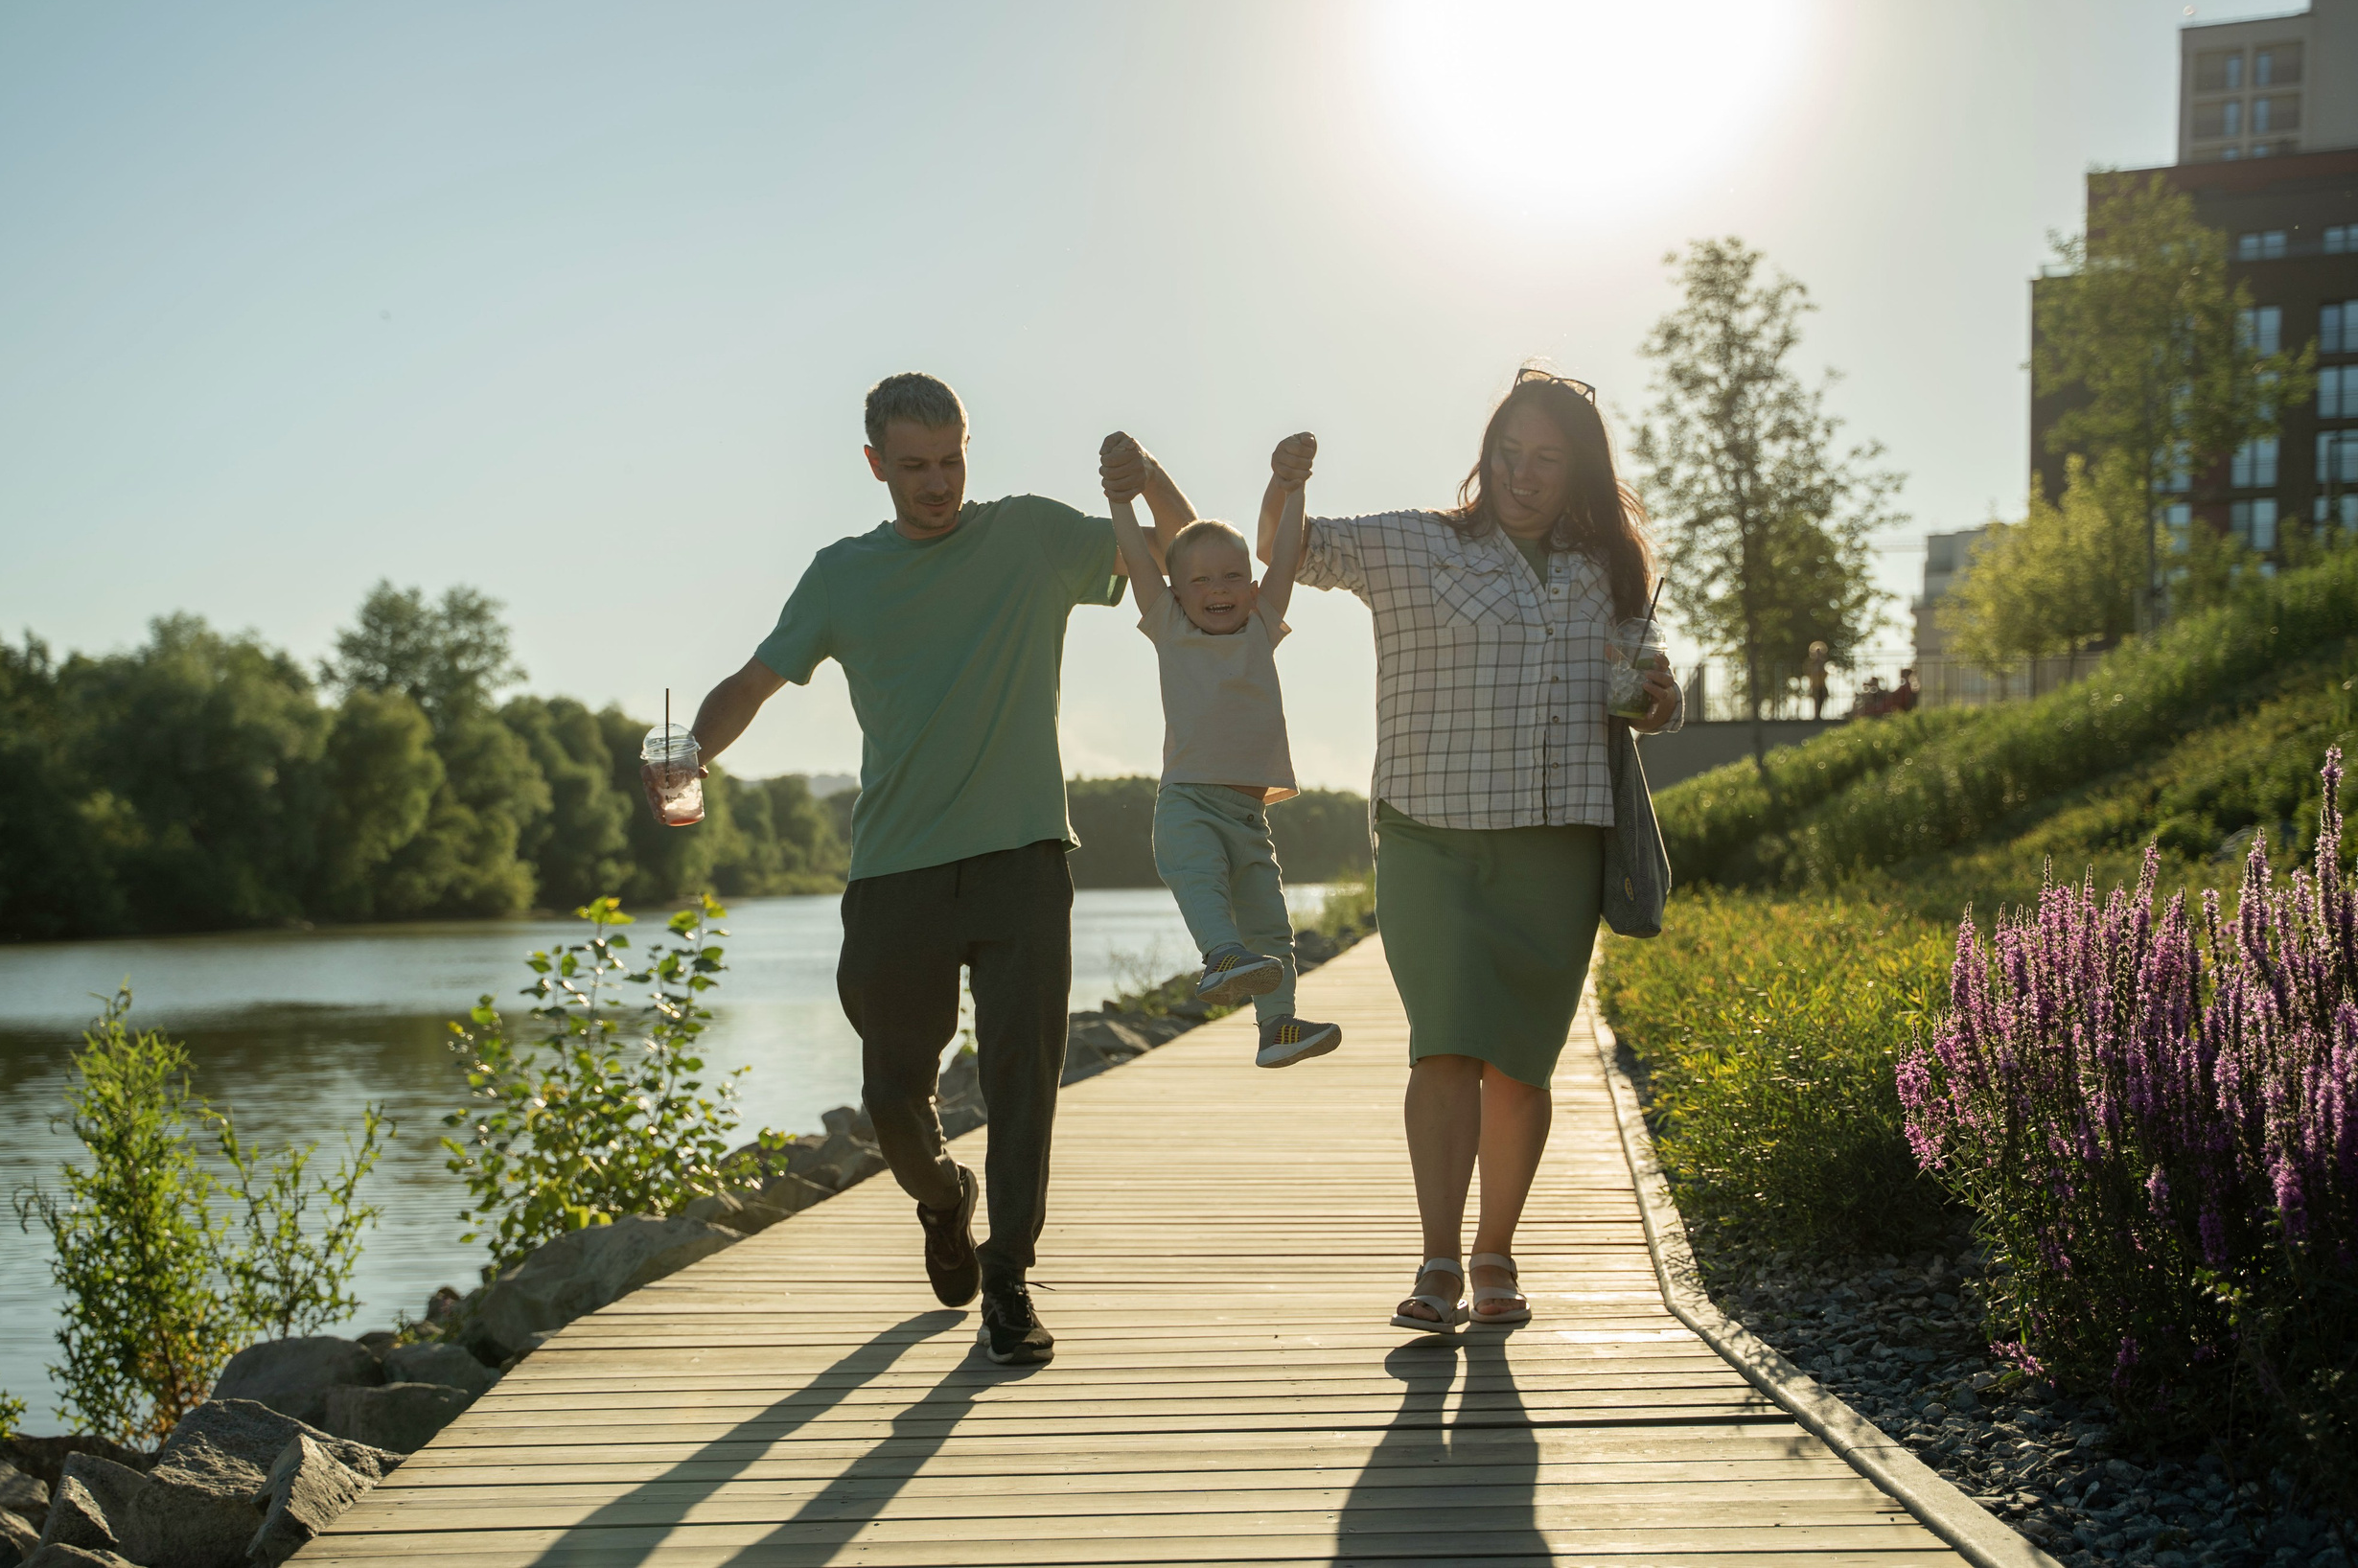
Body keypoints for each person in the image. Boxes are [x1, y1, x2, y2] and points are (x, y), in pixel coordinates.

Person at [685, 372, 1194, 1365]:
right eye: (913, 466)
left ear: (970, 447)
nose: (936, 483)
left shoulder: (1032, 539)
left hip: (1022, 861)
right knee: (891, 1097)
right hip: (895, 872)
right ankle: (941, 1196)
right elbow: (750, 684)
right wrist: (689, 758)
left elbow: (1177, 554)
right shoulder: (840, 575)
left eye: (951, 459)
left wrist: (1149, 477)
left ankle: (1009, 1277)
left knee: (1021, 1084)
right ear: (875, 465)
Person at [1261, 367, 1680, 1331]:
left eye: (1546, 459)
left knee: (1522, 1067)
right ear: (1482, 456)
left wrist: (1660, 701)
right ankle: (1439, 1258)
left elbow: (1643, 693)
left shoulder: (1608, 570)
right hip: (1430, 841)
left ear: (1576, 471)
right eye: (1508, 454)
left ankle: (1498, 1250)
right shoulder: (1415, 544)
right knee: (1444, 1048)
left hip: (1558, 845)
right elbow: (1290, 551)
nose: (1523, 476)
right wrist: (1286, 485)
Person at [1104, 428, 1343, 1071]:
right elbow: (1136, 554)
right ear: (1176, 589)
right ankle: (1218, 958)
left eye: (1234, 576)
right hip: (1187, 806)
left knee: (1271, 928)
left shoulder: (1261, 625)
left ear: (1250, 584)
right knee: (1203, 883)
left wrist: (1294, 489)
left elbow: (1287, 557)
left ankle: (1277, 1028)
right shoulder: (1169, 626)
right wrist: (1121, 499)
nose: (1220, 588)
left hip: (1248, 817)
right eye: (1202, 579)